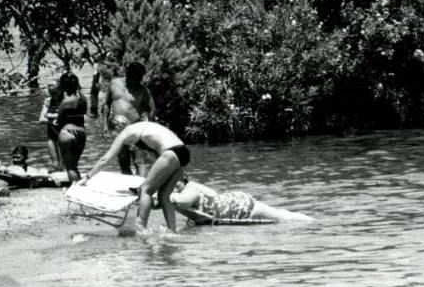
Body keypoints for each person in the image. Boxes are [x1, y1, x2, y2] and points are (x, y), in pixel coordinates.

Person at [83, 120, 188, 233]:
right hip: (184, 152)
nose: (115, 136)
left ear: (117, 127)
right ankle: (172, 232)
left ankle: (141, 229)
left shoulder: (125, 133)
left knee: (145, 190)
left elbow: (105, 159)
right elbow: (157, 157)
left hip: (170, 153)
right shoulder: (142, 126)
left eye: (113, 133)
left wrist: (87, 177)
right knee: (164, 195)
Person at [169, 178, 312, 224]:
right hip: (235, 204)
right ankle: (312, 222)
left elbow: (181, 201)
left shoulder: (190, 190)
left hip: (242, 208)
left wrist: (165, 195)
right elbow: (213, 194)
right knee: (281, 215)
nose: (172, 186)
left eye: (174, 182)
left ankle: (315, 223)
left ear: (182, 180)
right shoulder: (194, 187)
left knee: (284, 218)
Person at [101, 61, 155, 175]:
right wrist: (105, 126)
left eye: (140, 77)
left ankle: (141, 185)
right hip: (118, 129)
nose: (138, 80)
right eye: (135, 77)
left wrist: (147, 114)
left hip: (136, 130)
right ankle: (129, 184)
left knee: (139, 161)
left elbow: (152, 108)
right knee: (123, 160)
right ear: (128, 74)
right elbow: (106, 105)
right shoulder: (114, 83)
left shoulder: (143, 90)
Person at [55, 71, 88, 184]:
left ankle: (74, 190)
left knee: (70, 167)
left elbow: (59, 121)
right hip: (82, 133)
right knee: (74, 166)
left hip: (67, 132)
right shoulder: (83, 99)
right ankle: (79, 188)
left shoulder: (66, 101)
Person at [38, 79, 64, 170]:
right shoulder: (48, 101)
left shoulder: (66, 100)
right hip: (52, 135)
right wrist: (53, 120)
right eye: (51, 92)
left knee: (63, 162)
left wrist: (50, 115)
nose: (53, 95)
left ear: (60, 90)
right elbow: (41, 119)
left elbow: (68, 116)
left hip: (63, 134)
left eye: (55, 92)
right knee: (55, 163)